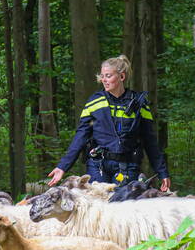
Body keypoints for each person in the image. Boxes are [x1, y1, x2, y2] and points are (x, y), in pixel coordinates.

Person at [47, 54, 171, 190]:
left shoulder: (139, 105)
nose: (104, 80)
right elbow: (80, 136)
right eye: (102, 76)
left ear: (121, 77)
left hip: (128, 166)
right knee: (97, 205)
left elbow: (150, 141)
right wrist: (62, 166)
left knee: (122, 207)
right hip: (98, 166)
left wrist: (162, 172)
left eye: (108, 76)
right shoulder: (94, 102)